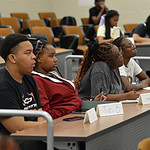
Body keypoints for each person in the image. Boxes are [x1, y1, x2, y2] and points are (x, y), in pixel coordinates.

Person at [30, 39, 105, 119]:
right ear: (38, 58)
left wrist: (91, 102)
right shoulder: (36, 80)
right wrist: (75, 105)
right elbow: (46, 115)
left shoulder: (52, 75)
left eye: (55, 56)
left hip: (74, 114)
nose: (56, 59)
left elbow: (70, 99)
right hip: (62, 122)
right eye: (51, 56)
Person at [0, 34, 46, 150]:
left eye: (33, 52)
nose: (34, 57)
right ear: (12, 58)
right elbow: (17, 127)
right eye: (28, 53)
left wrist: (45, 125)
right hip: (12, 142)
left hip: (32, 134)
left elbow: (39, 114)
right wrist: (49, 126)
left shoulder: (29, 78)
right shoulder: (3, 85)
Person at [74, 41, 139, 101]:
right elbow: (100, 98)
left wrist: (120, 96)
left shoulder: (115, 67)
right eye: (117, 56)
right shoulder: (100, 68)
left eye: (120, 52)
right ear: (108, 61)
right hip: (86, 109)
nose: (121, 56)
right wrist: (126, 96)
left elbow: (121, 90)